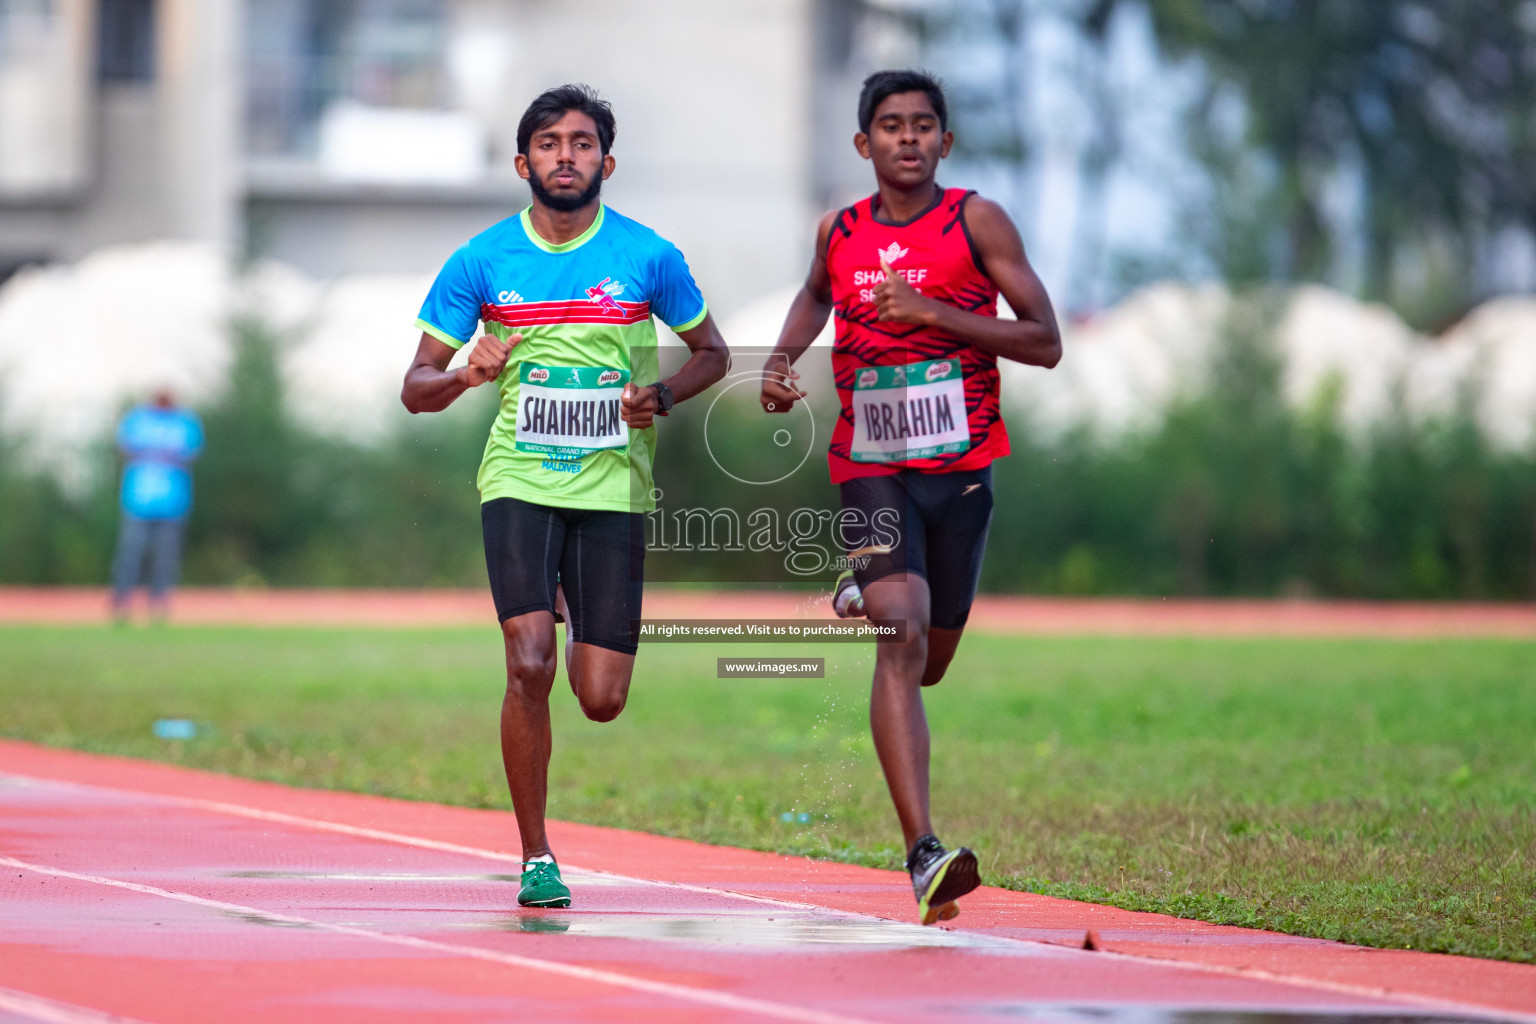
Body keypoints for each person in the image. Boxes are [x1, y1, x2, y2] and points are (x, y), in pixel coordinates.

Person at [401, 84, 729, 910]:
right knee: (528, 665)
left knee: (602, 698)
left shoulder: (649, 256)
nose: (566, 156)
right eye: (549, 144)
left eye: (583, 143)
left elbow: (713, 355)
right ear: (523, 163)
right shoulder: (481, 261)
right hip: (518, 477)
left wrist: (666, 395)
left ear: (606, 162)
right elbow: (414, 387)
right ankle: (536, 857)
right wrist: (466, 373)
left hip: (614, 484)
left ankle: (569, 598)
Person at [760, 70, 1061, 924]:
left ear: (945, 142)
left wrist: (935, 311)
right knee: (901, 635)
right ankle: (924, 850)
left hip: (960, 469)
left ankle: (866, 590)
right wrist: (783, 362)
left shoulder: (978, 221)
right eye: (890, 126)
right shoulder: (839, 231)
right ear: (865, 145)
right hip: (870, 461)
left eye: (923, 125)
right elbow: (817, 293)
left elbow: (1045, 341)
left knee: (930, 658)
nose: (907, 138)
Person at [110, 388, 204, 621]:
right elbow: (122, 449)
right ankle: (121, 601)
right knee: (130, 553)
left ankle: (158, 603)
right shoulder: (137, 419)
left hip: (173, 502)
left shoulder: (185, 422)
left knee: (166, 557)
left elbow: (193, 454)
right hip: (138, 499)